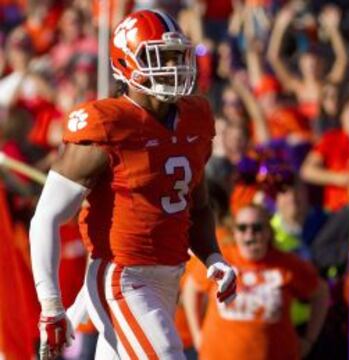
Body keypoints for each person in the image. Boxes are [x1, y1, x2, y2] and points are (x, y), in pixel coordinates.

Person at [29, 9, 237, 360]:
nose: (174, 68)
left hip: (169, 276)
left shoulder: (195, 118)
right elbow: (46, 218)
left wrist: (212, 254)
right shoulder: (108, 125)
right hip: (122, 278)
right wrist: (51, 305)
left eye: (178, 57)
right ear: (126, 63)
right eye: (160, 57)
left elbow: (197, 205)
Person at [183, 204, 329, 360]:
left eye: (257, 228)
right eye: (242, 227)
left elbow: (320, 292)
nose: (249, 234)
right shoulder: (220, 259)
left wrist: (309, 340)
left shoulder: (287, 264)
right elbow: (191, 288)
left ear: (268, 231)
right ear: (234, 231)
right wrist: (197, 334)